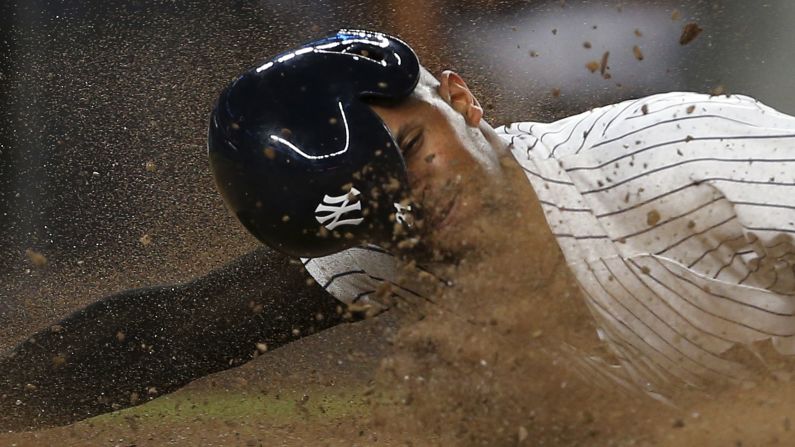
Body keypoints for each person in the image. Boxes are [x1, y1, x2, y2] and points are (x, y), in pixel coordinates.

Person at [4, 28, 795, 429]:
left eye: (412, 150)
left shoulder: (671, 149)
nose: (412, 207)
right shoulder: (403, 245)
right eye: (375, 212)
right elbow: (175, 329)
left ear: (460, 96)